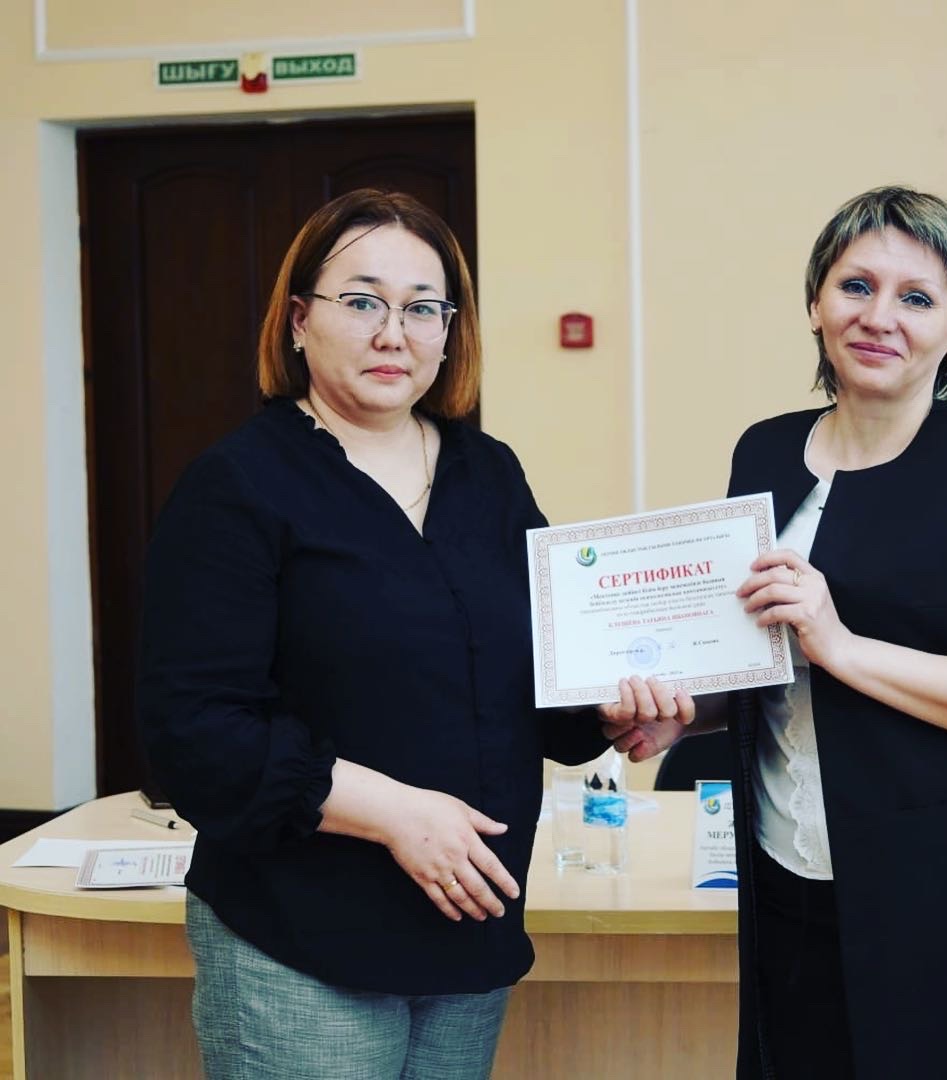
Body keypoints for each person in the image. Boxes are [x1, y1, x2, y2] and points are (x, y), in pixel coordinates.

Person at [605, 186, 947, 1078]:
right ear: (816, 304)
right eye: (855, 285)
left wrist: (842, 644)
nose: (878, 316)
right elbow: (767, 661)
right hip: (789, 883)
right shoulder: (763, 450)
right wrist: (688, 713)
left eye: (917, 298)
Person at [138, 189, 609, 1079]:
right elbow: (192, 732)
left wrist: (619, 706)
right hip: (301, 935)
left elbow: (535, 683)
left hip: (467, 930)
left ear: (450, 331)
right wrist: (393, 812)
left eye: (423, 308)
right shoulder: (238, 486)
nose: (394, 333)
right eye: (362, 301)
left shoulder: (488, 475)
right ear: (298, 320)